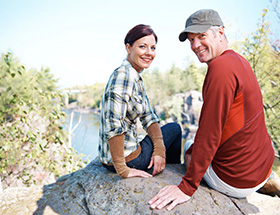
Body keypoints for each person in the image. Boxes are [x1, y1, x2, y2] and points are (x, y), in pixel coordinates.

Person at [149, 9, 280, 211]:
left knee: (189, 147)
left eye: (202, 36)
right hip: (261, 169)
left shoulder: (220, 68)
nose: (195, 45)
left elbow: (209, 134)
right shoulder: (239, 61)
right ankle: (266, 181)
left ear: (220, 33)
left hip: (236, 181)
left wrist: (186, 187)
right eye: (191, 40)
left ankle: (245, 185)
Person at [98, 24, 182, 179]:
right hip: (127, 160)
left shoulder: (134, 76)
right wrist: (123, 170)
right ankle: (168, 171)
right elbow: (114, 123)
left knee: (166, 133)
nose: (149, 53)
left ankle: (160, 163)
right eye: (142, 47)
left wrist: (159, 150)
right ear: (128, 48)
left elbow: (148, 117)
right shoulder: (124, 76)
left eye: (153, 48)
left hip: (114, 159)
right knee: (175, 129)